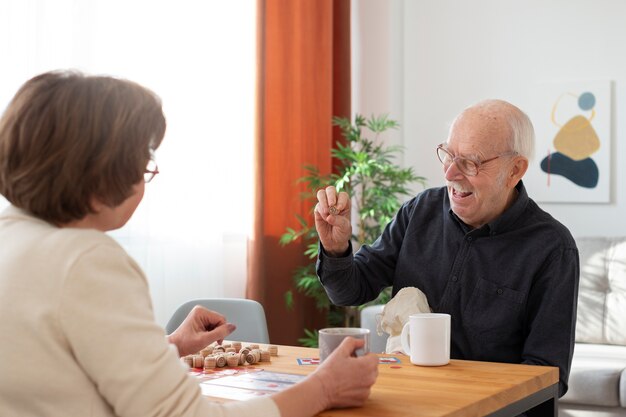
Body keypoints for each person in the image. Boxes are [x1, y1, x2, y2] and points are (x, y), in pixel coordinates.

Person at [0, 70, 378, 417]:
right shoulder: (85, 260)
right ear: (104, 172)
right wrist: (324, 388)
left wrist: (172, 346)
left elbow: (59, 367)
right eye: (143, 165)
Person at [314, 99, 579, 398]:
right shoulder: (419, 211)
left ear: (515, 170)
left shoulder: (553, 248)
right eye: (448, 155)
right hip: (406, 400)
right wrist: (335, 249)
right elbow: (350, 291)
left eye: (470, 162)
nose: (451, 173)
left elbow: (547, 375)